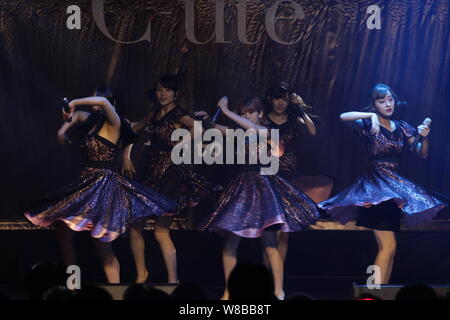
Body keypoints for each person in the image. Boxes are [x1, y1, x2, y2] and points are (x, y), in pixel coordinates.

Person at [24, 86, 177, 283]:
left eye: (97, 99)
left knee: (102, 246)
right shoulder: (89, 121)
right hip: (85, 183)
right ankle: (73, 285)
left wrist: (74, 102)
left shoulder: (114, 122)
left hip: (102, 185)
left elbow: (102, 104)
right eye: (93, 98)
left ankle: (115, 290)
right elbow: (70, 123)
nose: (94, 102)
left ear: (110, 104)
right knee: (64, 236)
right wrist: (64, 127)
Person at [318, 83, 447, 284]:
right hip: (376, 190)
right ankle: (372, 292)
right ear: (374, 104)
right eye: (381, 100)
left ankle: (380, 292)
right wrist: (370, 116)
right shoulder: (369, 124)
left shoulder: (402, 127)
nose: (388, 104)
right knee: (387, 247)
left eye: (390, 99)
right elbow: (343, 117)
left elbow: (422, 153)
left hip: (395, 190)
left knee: (390, 249)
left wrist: (425, 137)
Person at [197, 96, 320, 300]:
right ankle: (228, 291)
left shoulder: (267, 132)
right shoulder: (239, 134)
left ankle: (279, 291)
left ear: (260, 113)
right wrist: (209, 118)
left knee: (270, 245)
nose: (246, 116)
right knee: (230, 244)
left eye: (250, 112)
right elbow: (216, 127)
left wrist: (228, 112)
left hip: (263, 188)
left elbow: (253, 129)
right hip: (242, 189)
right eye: (244, 113)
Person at [122, 75, 222, 283]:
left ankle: (173, 280)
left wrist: (182, 143)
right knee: (136, 226)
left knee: (161, 230)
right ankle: (142, 274)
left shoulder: (179, 113)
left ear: (175, 94)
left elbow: (198, 129)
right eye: (159, 90)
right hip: (151, 173)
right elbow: (132, 130)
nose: (163, 94)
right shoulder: (153, 114)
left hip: (170, 174)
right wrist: (126, 154)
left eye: (167, 90)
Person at [263, 81, 333, 269]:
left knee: (284, 232)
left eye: (284, 99)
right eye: (277, 98)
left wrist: (299, 108)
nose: (280, 103)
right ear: (270, 99)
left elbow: (312, 130)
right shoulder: (262, 120)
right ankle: (266, 280)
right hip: (268, 177)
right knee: (269, 232)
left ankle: (278, 279)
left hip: (289, 178)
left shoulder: (294, 120)